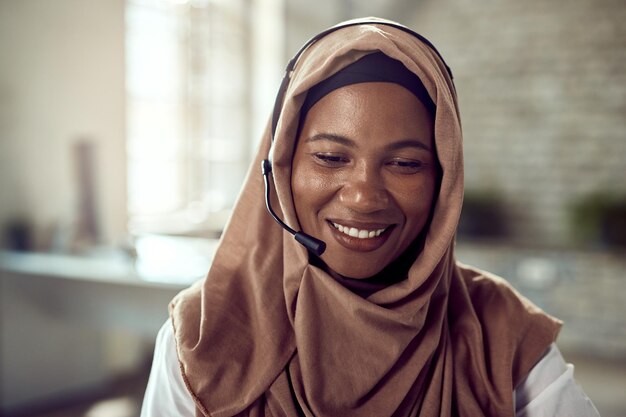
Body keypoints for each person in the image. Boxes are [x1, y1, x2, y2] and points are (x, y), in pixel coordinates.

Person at [141, 17, 599, 417]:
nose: (363, 197)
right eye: (330, 157)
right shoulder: (203, 334)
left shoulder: (502, 332)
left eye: (405, 164)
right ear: (278, 168)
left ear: (445, 180)